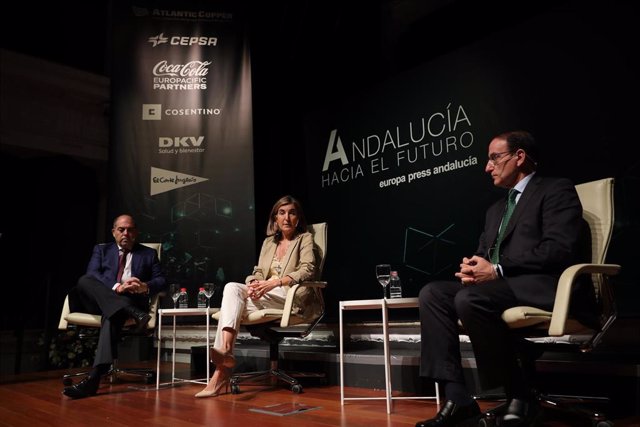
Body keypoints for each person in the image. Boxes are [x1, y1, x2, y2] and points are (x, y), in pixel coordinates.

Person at [415, 131, 595, 427]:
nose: (488, 167)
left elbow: (559, 249)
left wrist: (498, 269)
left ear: (520, 157)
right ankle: (458, 398)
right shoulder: (495, 209)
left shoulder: (555, 190)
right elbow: (485, 252)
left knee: (469, 298)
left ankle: (518, 392)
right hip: (498, 288)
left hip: (543, 286)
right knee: (433, 294)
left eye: (494, 158)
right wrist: (472, 268)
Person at [195, 195, 317, 398]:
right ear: (275, 218)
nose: (286, 217)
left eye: (292, 213)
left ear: (298, 218)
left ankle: (221, 372)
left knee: (230, 308)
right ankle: (225, 354)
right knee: (233, 288)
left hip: (289, 294)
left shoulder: (304, 238)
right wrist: (253, 283)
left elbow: (308, 270)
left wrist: (274, 282)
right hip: (265, 294)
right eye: (282, 212)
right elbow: (259, 271)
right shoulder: (269, 242)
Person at [62, 214, 166, 399]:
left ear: (136, 232)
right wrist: (117, 287)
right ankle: (132, 312)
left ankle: (93, 379)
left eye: (130, 229)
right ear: (113, 232)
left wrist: (145, 286)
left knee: (113, 314)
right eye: (121, 229)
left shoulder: (148, 254)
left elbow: (161, 280)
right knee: (85, 279)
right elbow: (93, 274)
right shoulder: (101, 250)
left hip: (128, 300)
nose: (126, 233)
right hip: (99, 300)